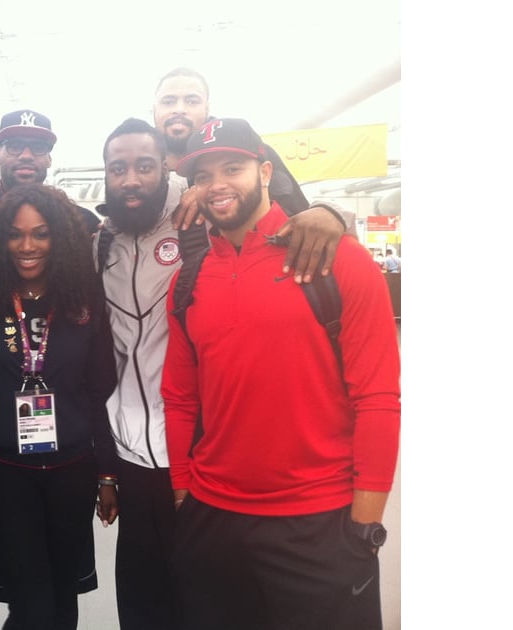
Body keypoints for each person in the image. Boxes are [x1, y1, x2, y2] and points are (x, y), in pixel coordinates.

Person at [95, 117, 345, 630]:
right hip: (132, 457)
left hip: (202, 454)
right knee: (142, 605)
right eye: (117, 169)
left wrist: (330, 212)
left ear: (165, 166)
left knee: (207, 603)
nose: (131, 180)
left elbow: (283, 219)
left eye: (145, 166)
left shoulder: (203, 222)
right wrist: (105, 467)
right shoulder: (100, 241)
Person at [162, 118, 400, 629]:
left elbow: (377, 397)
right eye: (203, 176)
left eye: (233, 167)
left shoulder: (341, 263)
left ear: (266, 171)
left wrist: (366, 525)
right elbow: (180, 397)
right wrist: (184, 493)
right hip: (212, 516)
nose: (217, 184)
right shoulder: (187, 282)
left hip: (318, 521)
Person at [0, 109, 105, 630]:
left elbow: (98, 380)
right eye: (14, 145)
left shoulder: (83, 247)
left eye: (36, 147)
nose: (27, 245)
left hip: (70, 466)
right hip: (2, 466)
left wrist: (106, 470)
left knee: (61, 604)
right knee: (32, 604)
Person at [152, 66, 346, 284]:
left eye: (192, 101)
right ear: (154, 109)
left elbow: (300, 215)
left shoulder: (250, 155)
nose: (179, 109)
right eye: (168, 101)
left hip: (238, 290)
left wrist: (330, 213)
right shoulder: (140, 164)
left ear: (206, 108)